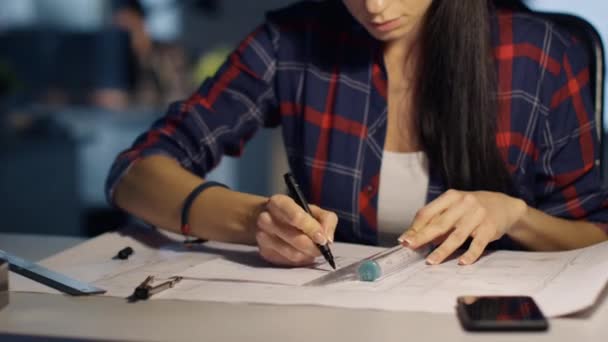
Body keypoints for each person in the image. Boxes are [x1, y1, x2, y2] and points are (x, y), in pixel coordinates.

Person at [106, 0, 608, 268]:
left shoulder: (541, 56)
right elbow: (134, 172)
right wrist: (254, 220)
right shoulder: (291, 41)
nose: (375, 6)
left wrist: (513, 215)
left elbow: (596, 234)